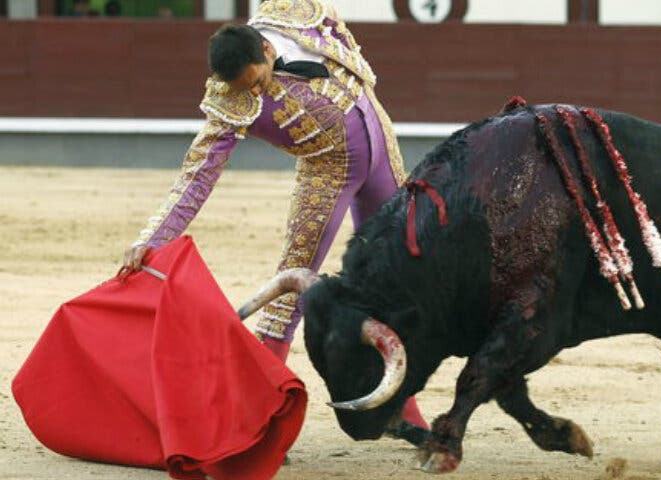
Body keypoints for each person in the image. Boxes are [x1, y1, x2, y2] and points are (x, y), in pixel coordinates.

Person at [120, 0, 430, 433]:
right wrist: (152, 239)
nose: (257, 93)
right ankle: (255, 420)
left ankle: (404, 413)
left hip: (380, 141)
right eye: (247, 89)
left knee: (401, 275)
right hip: (327, 173)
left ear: (267, 50)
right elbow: (197, 175)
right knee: (288, 293)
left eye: (260, 82)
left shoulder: (294, 11)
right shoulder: (230, 99)